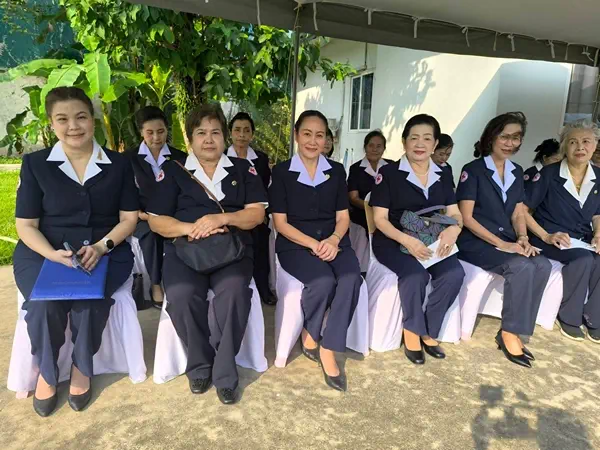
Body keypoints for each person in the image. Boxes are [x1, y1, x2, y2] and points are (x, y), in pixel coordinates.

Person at [13, 87, 139, 416]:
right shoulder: (36, 164)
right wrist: (52, 254)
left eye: (81, 117)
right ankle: (48, 371)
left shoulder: (118, 164)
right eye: (62, 119)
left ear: (92, 120)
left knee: (89, 302)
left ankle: (82, 366)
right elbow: (26, 225)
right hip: (43, 252)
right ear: (51, 123)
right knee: (43, 305)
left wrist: (101, 246)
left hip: (105, 249)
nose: (73, 126)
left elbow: (129, 219)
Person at [147, 104, 267, 405]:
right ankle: (200, 364)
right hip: (185, 249)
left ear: (225, 138)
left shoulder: (243, 169)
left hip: (232, 249)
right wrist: (192, 228)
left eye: (215, 132)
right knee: (182, 294)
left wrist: (221, 219)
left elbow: (256, 215)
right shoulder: (173, 171)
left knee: (235, 292)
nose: (209, 139)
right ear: (190, 139)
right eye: (201, 133)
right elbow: (157, 221)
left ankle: (225, 370)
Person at [269, 110, 362, 392]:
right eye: (307, 134)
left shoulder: (336, 171)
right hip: (296, 244)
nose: (313, 141)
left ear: (326, 140)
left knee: (351, 278)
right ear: (296, 135)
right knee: (322, 281)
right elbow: (280, 223)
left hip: (334, 241)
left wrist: (333, 240)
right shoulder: (281, 172)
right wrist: (313, 244)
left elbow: (343, 217)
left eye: (319, 135)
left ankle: (329, 347)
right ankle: (310, 329)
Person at [456, 112, 552, 368]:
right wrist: (502, 244)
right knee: (520, 266)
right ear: (491, 137)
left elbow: (518, 211)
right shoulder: (473, 170)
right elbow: (467, 218)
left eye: (516, 138)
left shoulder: (516, 171)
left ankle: (519, 330)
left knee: (543, 265)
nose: (510, 143)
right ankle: (508, 332)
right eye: (505, 137)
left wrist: (522, 237)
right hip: (476, 241)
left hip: (506, 239)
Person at [370, 114, 465, 365]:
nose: (420, 144)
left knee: (454, 274)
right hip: (393, 239)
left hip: (432, 237)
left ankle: (428, 330)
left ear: (435, 144)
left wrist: (454, 230)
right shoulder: (388, 173)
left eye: (427, 138)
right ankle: (412, 330)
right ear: (404, 142)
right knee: (415, 275)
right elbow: (380, 219)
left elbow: (455, 213)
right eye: (414, 138)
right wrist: (408, 242)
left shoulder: (442, 174)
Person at [524, 120, 600, 343]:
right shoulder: (548, 174)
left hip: (581, 238)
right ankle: (568, 316)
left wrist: (598, 234)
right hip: (549, 237)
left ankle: (593, 317)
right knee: (583, 259)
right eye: (573, 142)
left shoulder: (598, 176)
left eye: (586, 141)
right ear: (565, 146)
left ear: (595, 145)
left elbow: (597, 213)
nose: (580, 147)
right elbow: (523, 211)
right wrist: (545, 235)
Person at [125, 106, 187, 309]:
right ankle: (155, 284)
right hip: (142, 216)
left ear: (167, 130)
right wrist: (140, 214)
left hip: (173, 215)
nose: (156, 137)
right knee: (151, 234)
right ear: (141, 132)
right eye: (150, 132)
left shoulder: (180, 158)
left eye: (160, 131)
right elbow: (124, 192)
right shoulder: (129, 159)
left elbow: (186, 190)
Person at [227, 111, 275, 305]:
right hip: (230, 214)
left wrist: (264, 213)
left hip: (256, 213)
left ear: (252, 134)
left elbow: (268, 188)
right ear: (230, 133)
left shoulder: (261, 159)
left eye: (246, 130)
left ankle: (264, 289)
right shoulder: (222, 157)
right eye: (237, 130)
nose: (241, 135)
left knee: (260, 244)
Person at [347, 129, 392, 234]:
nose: (374, 149)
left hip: (389, 219)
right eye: (371, 145)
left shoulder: (391, 166)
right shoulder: (355, 168)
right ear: (365, 147)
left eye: (379, 146)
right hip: (362, 220)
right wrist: (373, 209)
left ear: (384, 148)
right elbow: (353, 198)